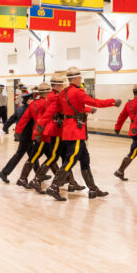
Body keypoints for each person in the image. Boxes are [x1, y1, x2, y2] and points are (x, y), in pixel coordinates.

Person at [44, 67, 120, 200]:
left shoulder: (63, 93)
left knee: (85, 160)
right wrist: (113, 102)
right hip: (76, 132)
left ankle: (93, 189)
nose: (81, 79)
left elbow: (54, 110)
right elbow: (96, 102)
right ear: (76, 78)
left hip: (68, 131)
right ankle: (54, 187)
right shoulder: (78, 92)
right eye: (80, 77)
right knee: (71, 160)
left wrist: (41, 123)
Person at [26, 75, 66, 191]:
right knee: (50, 157)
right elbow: (47, 115)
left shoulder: (37, 101)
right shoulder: (50, 98)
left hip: (44, 131)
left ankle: (67, 180)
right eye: (61, 84)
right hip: (47, 132)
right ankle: (33, 179)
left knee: (54, 156)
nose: (63, 86)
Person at [0, 85, 41, 184]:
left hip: (24, 136)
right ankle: (4, 172)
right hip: (28, 136)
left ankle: (39, 174)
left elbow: (11, 119)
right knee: (20, 155)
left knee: (32, 155)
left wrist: (4, 128)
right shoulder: (29, 109)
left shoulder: (20, 108)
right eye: (33, 99)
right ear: (29, 100)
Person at [113, 85, 137, 181]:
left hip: (133, 131)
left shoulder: (128, 104)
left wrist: (117, 127)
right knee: (132, 153)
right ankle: (120, 170)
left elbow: (122, 116)